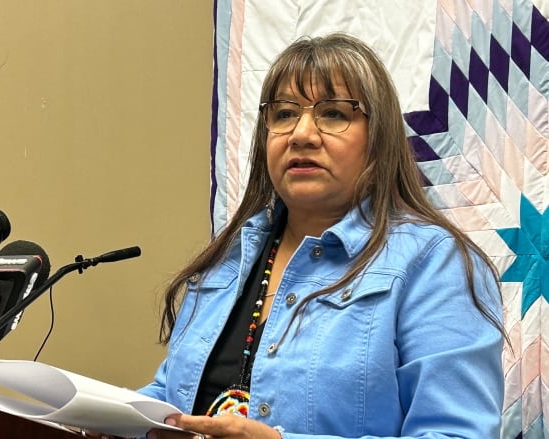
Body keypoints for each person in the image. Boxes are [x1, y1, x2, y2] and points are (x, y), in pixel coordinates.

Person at [137, 33, 506, 438]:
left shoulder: (436, 263)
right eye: (283, 114)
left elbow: (456, 434)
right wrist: (112, 417)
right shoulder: (230, 255)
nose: (301, 133)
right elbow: (173, 395)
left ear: (378, 139)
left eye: (332, 113)